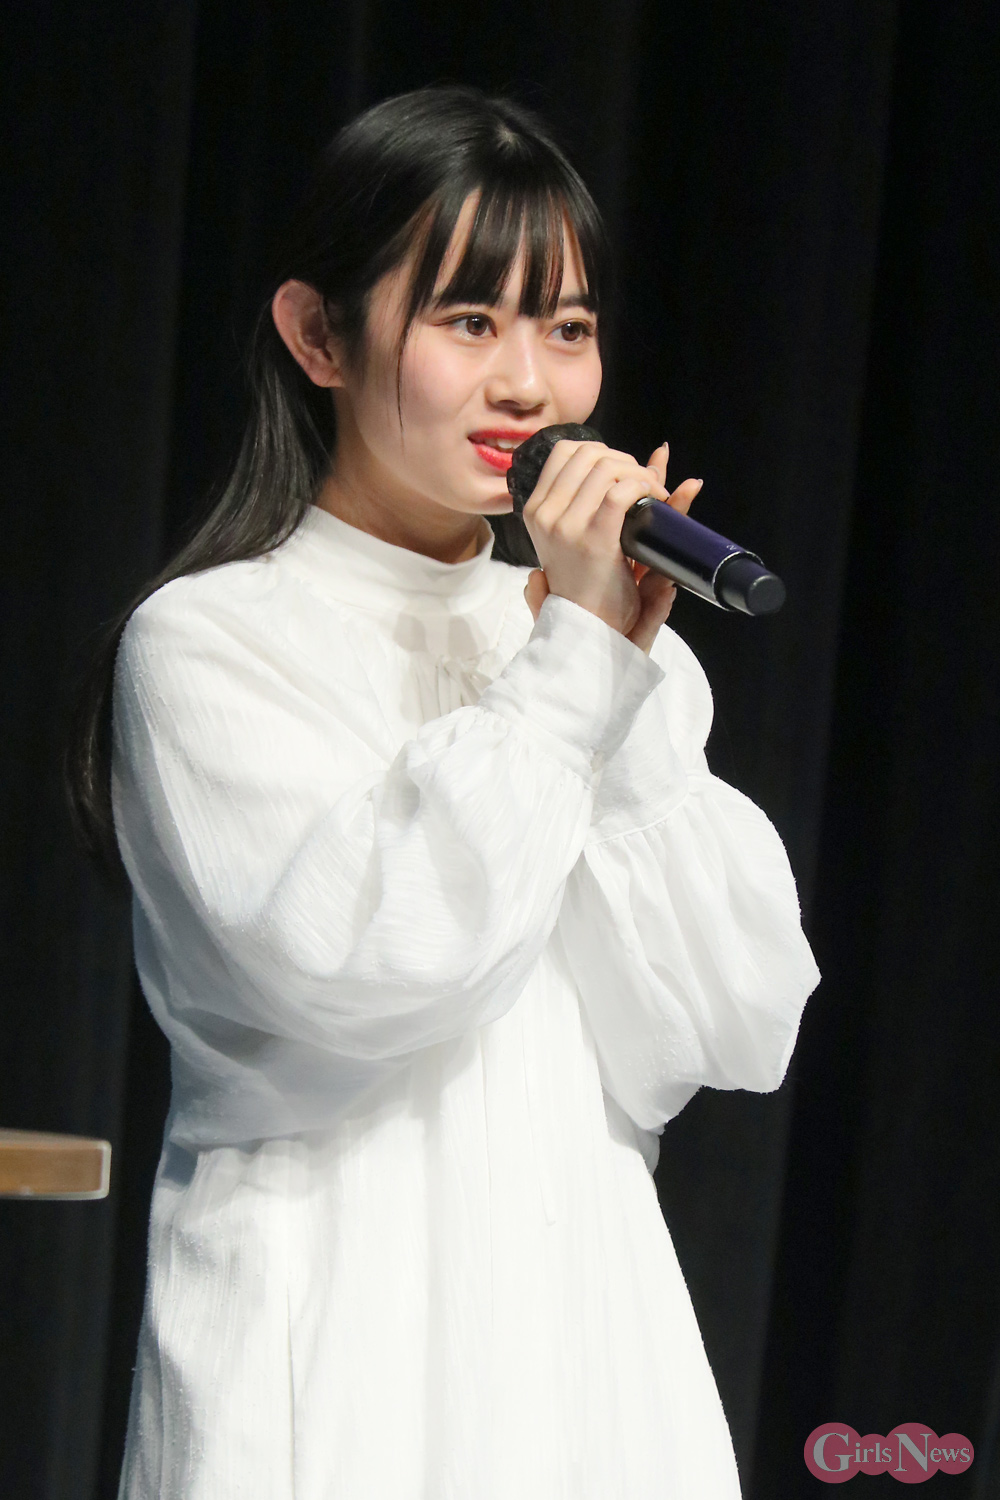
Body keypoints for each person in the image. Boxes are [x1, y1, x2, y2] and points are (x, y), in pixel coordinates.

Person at [68, 84, 820, 1500]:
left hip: (588, 1352)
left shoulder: (608, 653)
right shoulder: (212, 641)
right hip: (337, 1344)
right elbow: (378, 966)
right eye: (471, 321)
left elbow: (732, 1024)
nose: (530, 385)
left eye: (568, 329)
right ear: (318, 335)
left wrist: (612, 676)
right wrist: (575, 662)